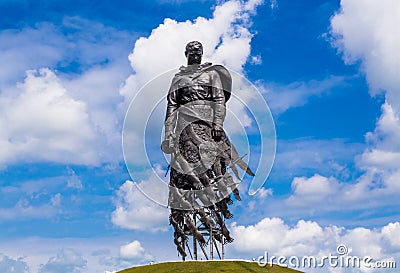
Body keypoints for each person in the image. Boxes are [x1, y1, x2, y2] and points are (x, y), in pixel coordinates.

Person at [161, 41, 254, 258]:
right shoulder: (178, 79)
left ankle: (216, 207)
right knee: (185, 175)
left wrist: (218, 125)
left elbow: (219, 101)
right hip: (185, 129)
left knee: (213, 172)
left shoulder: (211, 75)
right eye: (192, 51)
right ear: (186, 53)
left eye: (198, 52)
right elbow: (172, 106)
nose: (195, 54)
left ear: (202, 54)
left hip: (208, 129)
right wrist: (168, 134)